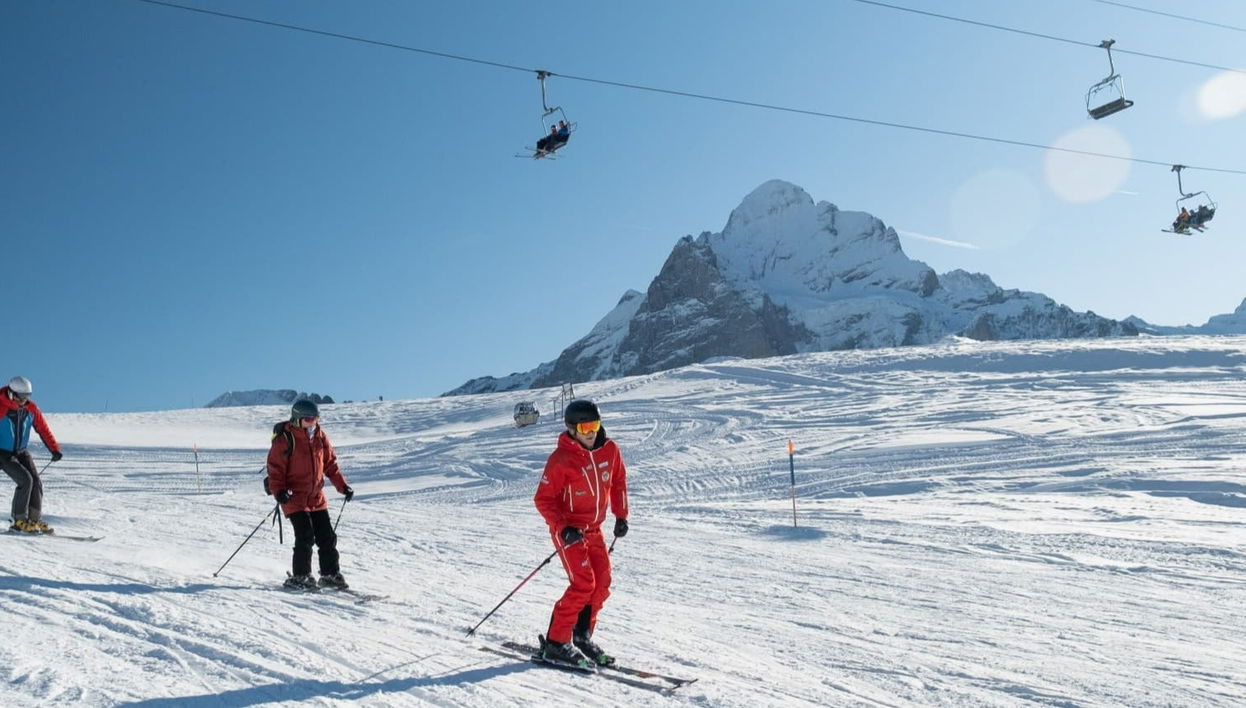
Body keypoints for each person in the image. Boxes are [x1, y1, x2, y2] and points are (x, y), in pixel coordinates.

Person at [533, 399, 630, 668]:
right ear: (572, 429)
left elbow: (618, 481)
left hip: (594, 530)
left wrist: (621, 515)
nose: (591, 432)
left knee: (602, 583)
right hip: (570, 531)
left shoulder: (610, 450)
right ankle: (556, 642)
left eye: (595, 425)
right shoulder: (561, 459)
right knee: (583, 584)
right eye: (585, 427)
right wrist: (563, 528)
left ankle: (581, 635)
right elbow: (543, 499)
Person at [267, 399, 354, 589]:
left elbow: (330, 465)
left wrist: (343, 486)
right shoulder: (285, 438)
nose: (312, 422)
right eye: (308, 419)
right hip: (294, 497)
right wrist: (279, 491)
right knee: (305, 535)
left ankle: (330, 574)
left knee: (327, 537)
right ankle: (301, 576)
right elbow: (275, 469)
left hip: (316, 496)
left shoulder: (320, 437)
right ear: (297, 419)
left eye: (315, 418)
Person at [1, 376, 63, 534]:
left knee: (36, 481)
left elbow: (43, 429)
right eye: (21, 397)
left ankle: (34, 520)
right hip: (2, 453)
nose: (24, 400)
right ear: (11, 393)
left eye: (27, 396)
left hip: (21, 451)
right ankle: (18, 521)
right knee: (25, 480)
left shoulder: (31, 408)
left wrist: (54, 449)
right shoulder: (1, 406)